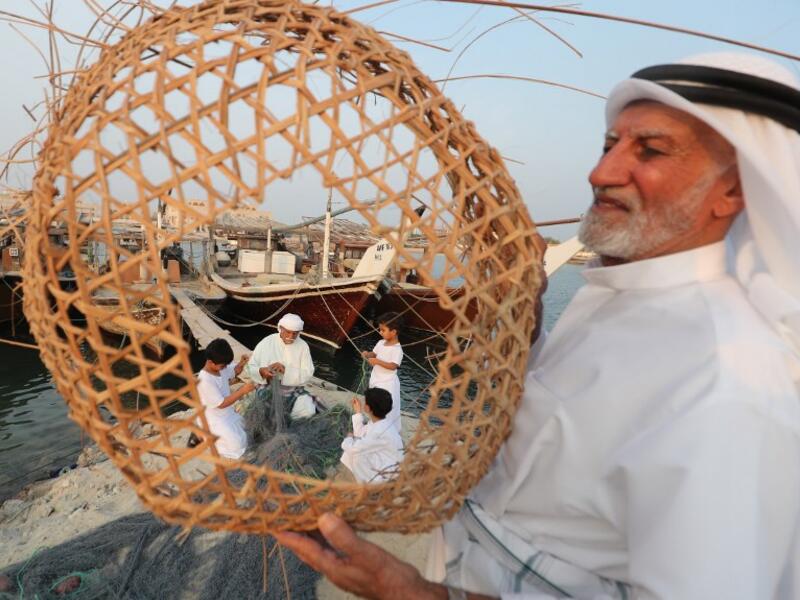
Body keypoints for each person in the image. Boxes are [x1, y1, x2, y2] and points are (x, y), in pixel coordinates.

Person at [276, 52, 800, 599]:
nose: (601, 173)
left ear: (734, 190)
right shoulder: (615, 299)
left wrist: (410, 592)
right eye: (609, 145)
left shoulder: (738, 383)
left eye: (650, 150)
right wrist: (524, 335)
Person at [194, 338, 255, 459]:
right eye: (223, 365)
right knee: (237, 445)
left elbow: (235, 371)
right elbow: (221, 404)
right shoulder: (205, 380)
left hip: (227, 414)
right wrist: (242, 391)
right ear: (210, 362)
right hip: (214, 419)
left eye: (226, 365)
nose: (225, 367)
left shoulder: (220, 367)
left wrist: (241, 363)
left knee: (245, 431)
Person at [340, 387, 404, 483]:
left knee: (352, 455)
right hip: (386, 463)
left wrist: (348, 438)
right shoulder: (383, 422)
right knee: (354, 450)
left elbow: (353, 448)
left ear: (367, 408)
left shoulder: (378, 432)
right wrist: (358, 412)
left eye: (365, 402)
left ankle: (360, 484)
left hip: (386, 475)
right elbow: (360, 434)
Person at [361, 313, 404, 432]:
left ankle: (386, 428)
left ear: (393, 332)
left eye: (383, 330)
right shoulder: (380, 343)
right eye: (380, 329)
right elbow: (374, 354)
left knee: (385, 406)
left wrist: (377, 362)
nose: (380, 332)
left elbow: (393, 366)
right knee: (374, 403)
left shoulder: (397, 349)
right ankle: (374, 423)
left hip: (387, 383)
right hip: (376, 379)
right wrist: (367, 354)